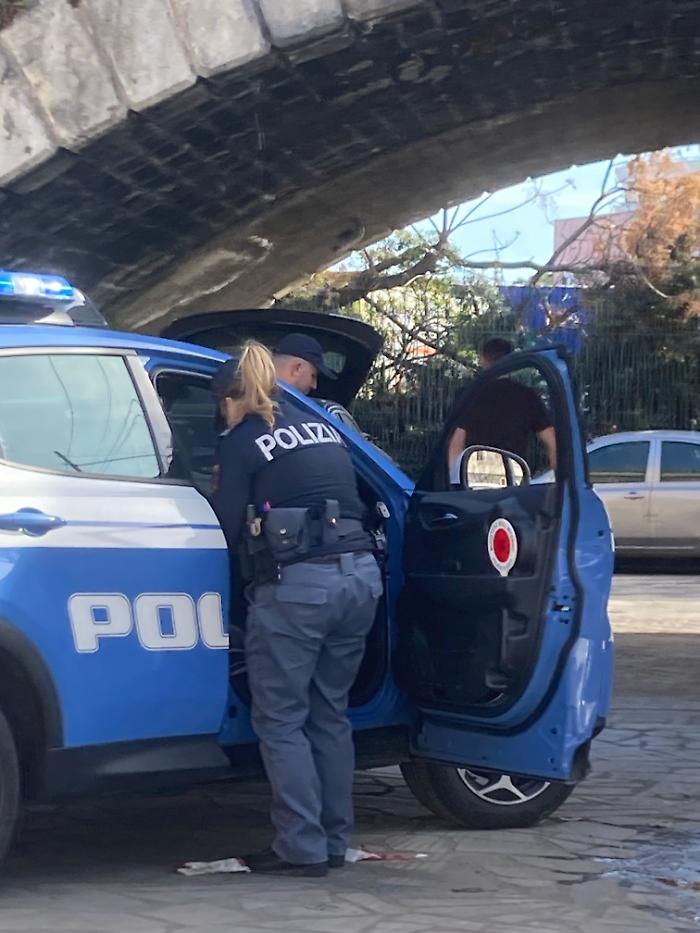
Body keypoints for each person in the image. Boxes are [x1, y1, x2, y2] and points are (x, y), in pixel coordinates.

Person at [211, 341, 382, 878]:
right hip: (359, 580)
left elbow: (226, 525)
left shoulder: (243, 440)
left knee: (282, 720)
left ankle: (300, 848)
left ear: (231, 397)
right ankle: (333, 842)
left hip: (299, 589)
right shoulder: (322, 427)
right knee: (328, 714)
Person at [448, 337, 557, 483]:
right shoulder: (527, 396)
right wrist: (560, 484)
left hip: (475, 478)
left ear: (483, 360)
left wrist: (455, 482)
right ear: (511, 361)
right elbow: (552, 441)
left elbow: (456, 443)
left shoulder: (469, 395)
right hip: (514, 478)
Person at [272, 333, 337, 396]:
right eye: (313, 376)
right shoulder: (278, 403)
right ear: (297, 368)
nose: (314, 386)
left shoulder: (264, 393)